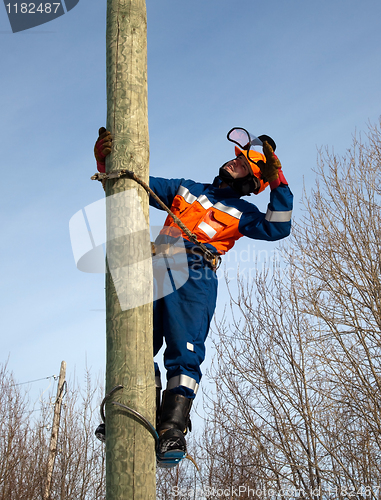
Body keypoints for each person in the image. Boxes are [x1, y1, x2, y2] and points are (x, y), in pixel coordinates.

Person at [94, 127, 293, 467]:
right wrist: (104, 160)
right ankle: (129, 415)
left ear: (252, 181)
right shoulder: (187, 189)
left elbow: (279, 226)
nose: (234, 163)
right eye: (235, 158)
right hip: (155, 266)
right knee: (134, 343)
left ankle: (172, 428)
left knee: (184, 352)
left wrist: (279, 181)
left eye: (243, 164)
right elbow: (133, 183)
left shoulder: (244, 212)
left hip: (195, 275)